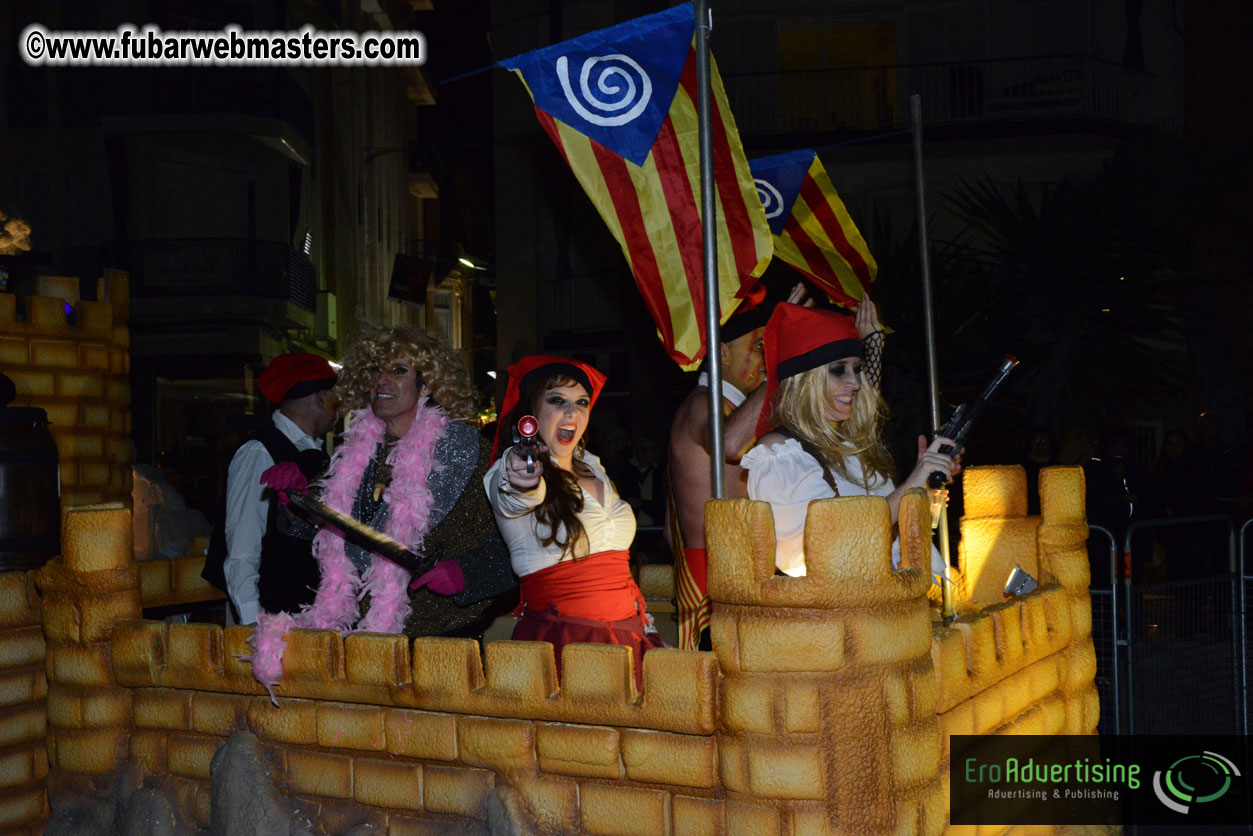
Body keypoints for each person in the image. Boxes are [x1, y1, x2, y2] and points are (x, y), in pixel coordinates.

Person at [249, 328, 513, 694]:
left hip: (442, 648)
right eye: (375, 370)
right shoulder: (358, 452)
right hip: (364, 645)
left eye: (399, 370)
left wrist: (467, 573)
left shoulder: (469, 454)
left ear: (427, 385)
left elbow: (517, 544)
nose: (381, 381)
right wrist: (297, 500)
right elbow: (320, 533)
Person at [666, 284, 883, 648]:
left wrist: (872, 350)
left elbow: (844, 420)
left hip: (742, 566)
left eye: (768, 349)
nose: (766, 357)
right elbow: (730, 446)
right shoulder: (704, 404)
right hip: (715, 571)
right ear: (721, 354)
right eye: (759, 348)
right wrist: (783, 361)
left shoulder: (741, 408)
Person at [485, 356, 663, 688]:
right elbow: (515, 494)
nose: (572, 413)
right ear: (531, 414)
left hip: (632, 637)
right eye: (557, 401)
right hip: (563, 645)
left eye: (581, 403)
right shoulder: (509, 469)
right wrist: (522, 477)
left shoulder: (595, 467)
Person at [742, 303, 955, 578]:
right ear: (806, 379)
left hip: (888, 606)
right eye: (838, 370)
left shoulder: (851, 447)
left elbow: (890, 545)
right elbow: (828, 547)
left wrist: (919, 497)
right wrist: (913, 482)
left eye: (857, 369)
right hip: (833, 617)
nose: (855, 382)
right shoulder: (778, 453)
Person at [206, 353, 338, 625]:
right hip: (268, 616)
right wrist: (252, 623)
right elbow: (243, 547)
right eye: (336, 397)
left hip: (305, 614)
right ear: (322, 398)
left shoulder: (315, 452)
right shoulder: (259, 452)